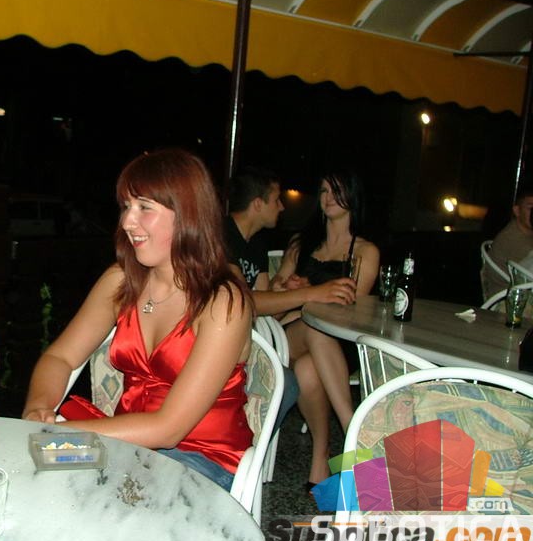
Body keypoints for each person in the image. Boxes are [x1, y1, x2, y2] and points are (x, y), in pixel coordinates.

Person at [23, 148, 253, 491]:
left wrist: (58, 434)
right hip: (124, 448)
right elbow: (60, 357)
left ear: (187, 214)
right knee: (32, 469)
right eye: (126, 207)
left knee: (91, 492)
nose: (127, 222)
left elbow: (169, 429)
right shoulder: (121, 281)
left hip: (200, 460)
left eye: (144, 207)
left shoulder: (222, 301)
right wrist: (37, 409)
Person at [225, 167, 355, 431]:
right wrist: (311, 293)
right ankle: (352, 428)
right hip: (227, 340)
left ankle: (326, 448)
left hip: (263, 335)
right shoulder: (221, 235)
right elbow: (245, 302)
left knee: (304, 372)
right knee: (310, 340)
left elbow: (268, 307)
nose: (282, 207)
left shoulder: (256, 242)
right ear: (258, 204)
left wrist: (283, 290)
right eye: (277, 200)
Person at [273, 169, 379, 487]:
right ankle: (351, 428)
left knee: (308, 370)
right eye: (323, 191)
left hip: (339, 343)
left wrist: (310, 293)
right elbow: (274, 294)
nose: (328, 197)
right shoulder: (301, 243)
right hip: (293, 333)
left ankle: (321, 454)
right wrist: (289, 288)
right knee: (315, 328)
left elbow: (353, 311)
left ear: (353, 196)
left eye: (336, 190)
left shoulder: (365, 252)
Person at [483, 184, 533, 299]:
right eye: (530, 207)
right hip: (508, 300)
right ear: (517, 210)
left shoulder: (527, 233)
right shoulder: (512, 238)